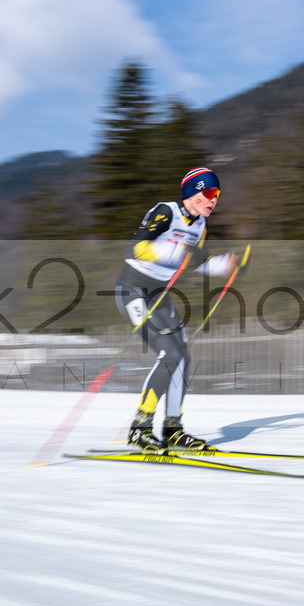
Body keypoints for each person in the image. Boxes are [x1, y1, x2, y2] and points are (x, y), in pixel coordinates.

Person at [115, 167, 237, 454]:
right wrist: (170, 252)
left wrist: (225, 265)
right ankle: (140, 429)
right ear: (192, 192)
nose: (213, 200)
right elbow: (136, 247)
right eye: (208, 193)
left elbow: (195, 262)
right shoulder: (165, 212)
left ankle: (173, 429)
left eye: (217, 195)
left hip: (160, 293)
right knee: (169, 353)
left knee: (182, 356)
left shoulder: (200, 226)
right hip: (133, 290)